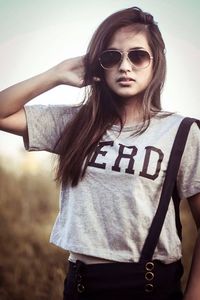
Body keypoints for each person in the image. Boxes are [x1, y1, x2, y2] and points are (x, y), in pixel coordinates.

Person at [0, 6, 199, 300]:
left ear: (156, 64)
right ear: (99, 65)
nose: (125, 66)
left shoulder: (181, 132)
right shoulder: (75, 124)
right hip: (81, 285)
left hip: (149, 285)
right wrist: (55, 74)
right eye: (111, 56)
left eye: (138, 55)